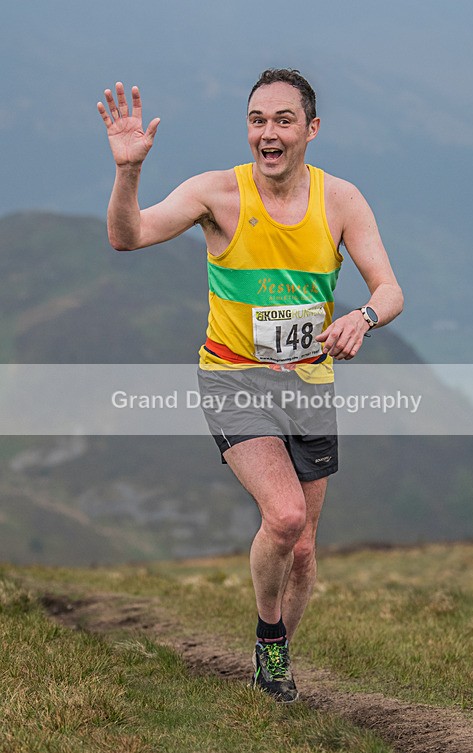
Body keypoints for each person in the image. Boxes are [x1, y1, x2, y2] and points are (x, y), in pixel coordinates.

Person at [98, 69, 403, 702]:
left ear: (310, 130)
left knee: (303, 552)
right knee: (284, 515)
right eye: (257, 120)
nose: (268, 133)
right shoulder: (216, 193)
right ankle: (268, 639)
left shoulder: (341, 200)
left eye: (284, 120)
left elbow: (389, 289)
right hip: (232, 378)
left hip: (309, 385)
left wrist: (362, 317)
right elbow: (127, 237)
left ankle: (273, 667)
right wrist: (129, 171)